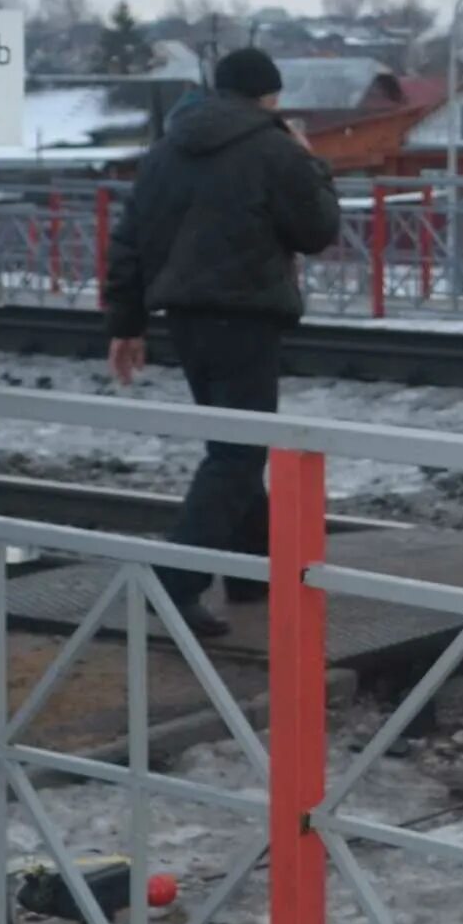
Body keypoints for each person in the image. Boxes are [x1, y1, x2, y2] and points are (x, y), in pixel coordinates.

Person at [103, 48, 342, 638]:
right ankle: (176, 581)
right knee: (239, 452)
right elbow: (318, 232)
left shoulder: (168, 149)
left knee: (234, 442)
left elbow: (129, 239)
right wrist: (312, 165)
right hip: (246, 315)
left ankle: (251, 574)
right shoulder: (275, 149)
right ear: (271, 97)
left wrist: (126, 324)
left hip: (184, 318)